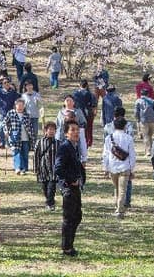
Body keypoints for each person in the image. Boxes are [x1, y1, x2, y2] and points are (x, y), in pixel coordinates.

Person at [54, 121, 85, 257]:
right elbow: (58, 168)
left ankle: (69, 244)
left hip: (75, 187)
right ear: (66, 133)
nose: (76, 132)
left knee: (77, 216)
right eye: (72, 130)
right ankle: (67, 247)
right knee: (69, 218)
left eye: (77, 130)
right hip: (68, 188)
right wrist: (71, 180)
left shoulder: (74, 147)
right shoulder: (64, 147)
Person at [102, 116, 136, 217]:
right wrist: (132, 169)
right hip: (125, 167)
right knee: (122, 190)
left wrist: (105, 168)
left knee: (116, 188)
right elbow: (132, 155)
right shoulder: (129, 138)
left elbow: (106, 154)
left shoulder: (109, 138)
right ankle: (120, 209)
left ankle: (117, 206)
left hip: (113, 167)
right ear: (125, 126)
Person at [34, 121, 60, 210]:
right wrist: (36, 169)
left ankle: (50, 203)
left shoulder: (58, 143)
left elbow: (61, 157)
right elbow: (36, 156)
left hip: (53, 170)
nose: (52, 131)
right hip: (43, 169)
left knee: (51, 187)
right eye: (50, 129)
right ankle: (49, 200)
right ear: (45, 131)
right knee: (45, 188)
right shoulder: (40, 142)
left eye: (53, 130)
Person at [3, 98, 33, 174]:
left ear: (24, 106)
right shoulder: (11, 113)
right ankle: (18, 168)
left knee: (25, 153)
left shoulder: (27, 115)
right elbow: (4, 123)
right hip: (15, 137)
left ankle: (24, 169)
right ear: (15, 105)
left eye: (22, 105)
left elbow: (30, 126)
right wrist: (6, 131)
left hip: (25, 137)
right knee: (17, 152)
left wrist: (32, 137)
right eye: (18, 105)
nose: (20, 107)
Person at [134, 88, 154, 156]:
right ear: (148, 94)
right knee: (150, 135)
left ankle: (148, 151)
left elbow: (136, 112)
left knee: (145, 136)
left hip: (143, 120)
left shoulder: (138, 101)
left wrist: (137, 120)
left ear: (141, 94)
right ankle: (151, 149)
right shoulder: (152, 101)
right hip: (152, 120)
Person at [72, 80, 97, 147]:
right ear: (86, 86)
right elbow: (94, 105)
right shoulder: (91, 94)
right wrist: (94, 112)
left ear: (79, 85)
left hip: (78, 113)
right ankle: (89, 142)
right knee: (89, 128)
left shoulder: (75, 94)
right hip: (88, 113)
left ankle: (79, 141)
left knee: (79, 128)